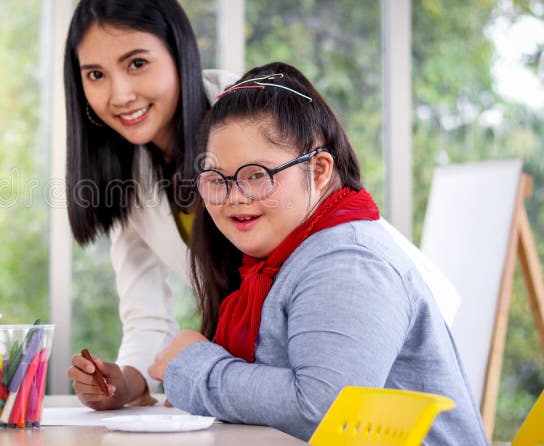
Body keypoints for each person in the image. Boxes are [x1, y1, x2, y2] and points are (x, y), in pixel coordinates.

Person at [147, 61, 489, 444]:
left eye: (257, 174)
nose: (234, 196)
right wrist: (141, 380)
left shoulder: (348, 263)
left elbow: (324, 411)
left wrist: (195, 365)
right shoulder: (271, 262)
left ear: (320, 170)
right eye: (216, 179)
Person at [63, 0, 238, 409]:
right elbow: (147, 317)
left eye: (137, 64)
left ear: (179, 53)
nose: (119, 94)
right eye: (96, 75)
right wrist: (126, 382)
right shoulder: (130, 173)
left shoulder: (247, 116)